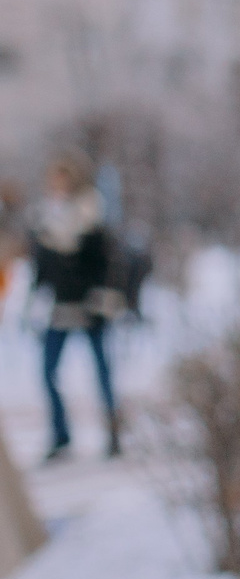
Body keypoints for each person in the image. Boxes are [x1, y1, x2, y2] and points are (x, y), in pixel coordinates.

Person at [27, 157, 121, 462]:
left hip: (90, 305)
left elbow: (105, 263)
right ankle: (60, 434)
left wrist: (103, 297)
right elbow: (41, 267)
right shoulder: (45, 219)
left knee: (102, 371)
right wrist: (33, 300)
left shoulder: (91, 215)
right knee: (48, 371)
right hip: (59, 307)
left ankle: (114, 432)